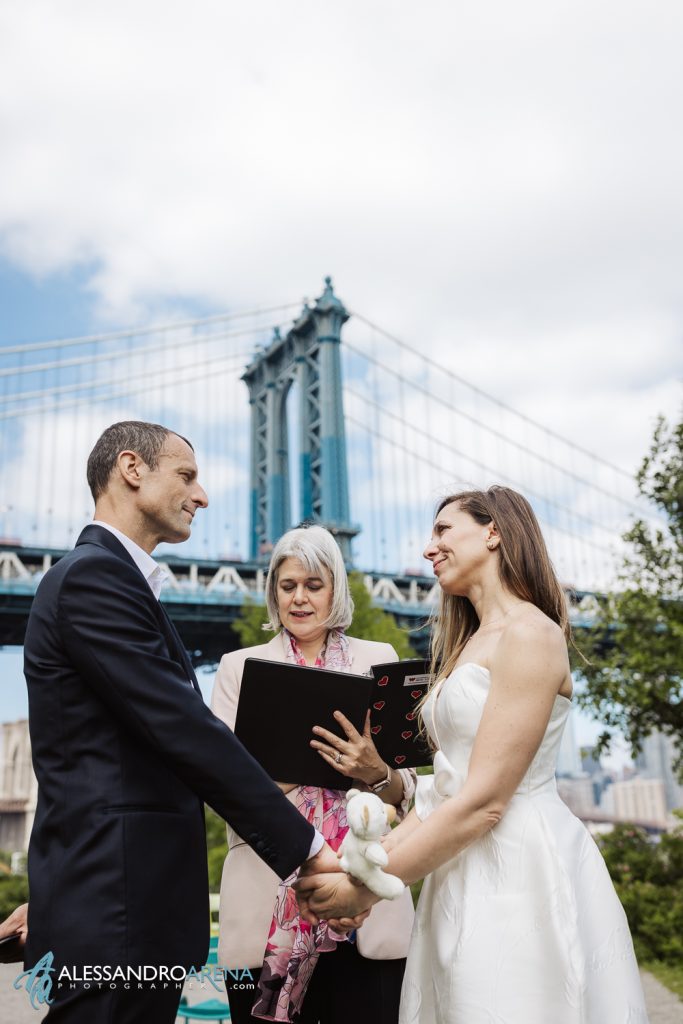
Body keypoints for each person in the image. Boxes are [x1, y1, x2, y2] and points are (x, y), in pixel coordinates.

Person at [20, 421, 343, 1024]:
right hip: (117, 908)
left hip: (124, 904)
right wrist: (308, 851)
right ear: (131, 469)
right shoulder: (94, 578)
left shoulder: (115, 583)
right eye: (187, 475)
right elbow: (186, 731)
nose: (202, 495)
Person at [296, 487, 649, 1024]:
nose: (427, 548)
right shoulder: (470, 644)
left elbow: (484, 800)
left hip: (517, 871)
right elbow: (440, 793)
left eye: (442, 530)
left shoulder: (532, 634)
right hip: (456, 866)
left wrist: (364, 890)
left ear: (493, 532)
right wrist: (359, 872)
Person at [211, 524, 416, 1024]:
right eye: (287, 586)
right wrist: (312, 768)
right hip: (267, 908)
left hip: (365, 907)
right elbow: (220, 787)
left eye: (313, 584)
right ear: (273, 592)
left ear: (335, 591)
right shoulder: (239, 667)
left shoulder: (378, 661)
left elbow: (406, 793)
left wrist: (374, 770)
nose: (299, 598)